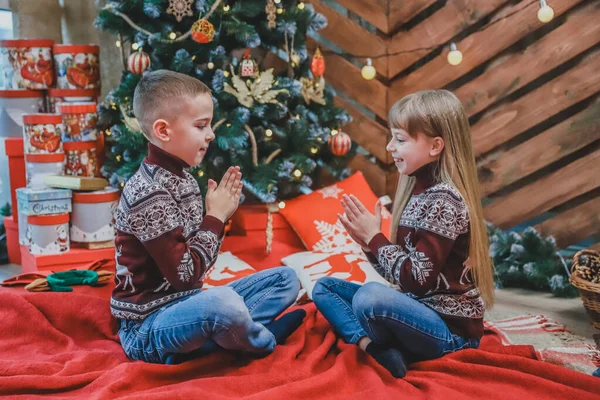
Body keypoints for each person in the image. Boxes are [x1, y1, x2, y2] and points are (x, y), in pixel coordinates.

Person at [111, 70, 304, 364]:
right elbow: (187, 277)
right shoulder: (148, 193)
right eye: (201, 125)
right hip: (148, 326)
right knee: (222, 304)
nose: (211, 134)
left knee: (286, 279)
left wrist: (213, 218)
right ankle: (263, 340)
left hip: (188, 304)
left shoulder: (184, 179)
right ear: (164, 131)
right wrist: (215, 217)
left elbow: (198, 269)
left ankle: (209, 345)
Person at [312, 89, 495, 378]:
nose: (389, 147)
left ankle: (384, 343)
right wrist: (370, 246)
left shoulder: (444, 200)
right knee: (324, 288)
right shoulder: (418, 191)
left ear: (435, 146)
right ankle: (374, 347)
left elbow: (417, 280)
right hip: (418, 309)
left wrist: (377, 238)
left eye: (400, 139)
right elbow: (403, 278)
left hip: (450, 331)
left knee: (370, 298)